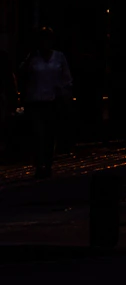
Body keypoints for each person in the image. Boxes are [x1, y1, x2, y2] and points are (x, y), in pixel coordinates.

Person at [22, 27, 73, 179]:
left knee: (50, 134)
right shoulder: (33, 57)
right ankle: (39, 164)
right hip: (35, 101)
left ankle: (48, 163)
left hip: (53, 101)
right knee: (38, 134)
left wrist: (64, 94)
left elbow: (67, 78)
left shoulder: (59, 57)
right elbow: (23, 73)